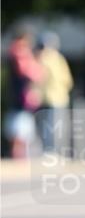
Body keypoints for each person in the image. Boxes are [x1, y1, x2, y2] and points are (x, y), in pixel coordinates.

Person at [4, 26, 44, 159]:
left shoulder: (17, 52)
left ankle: (20, 156)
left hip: (21, 99)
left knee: (22, 133)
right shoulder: (18, 52)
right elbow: (31, 72)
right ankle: (18, 157)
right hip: (20, 99)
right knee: (19, 133)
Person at [35, 31, 73, 153]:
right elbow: (68, 81)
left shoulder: (44, 58)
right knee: (57, 127)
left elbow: (38, 79)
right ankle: (57, 151)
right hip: (60, 98)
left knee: (48, 127)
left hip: (48, 98)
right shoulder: (60, 59)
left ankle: (50, 151)